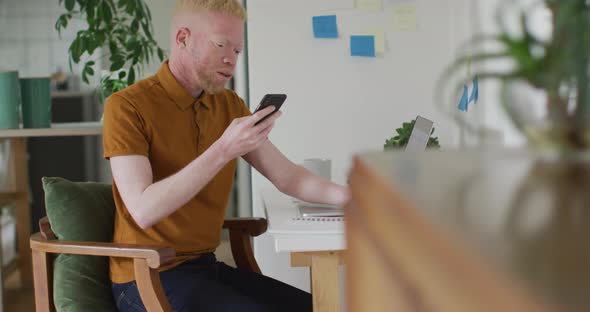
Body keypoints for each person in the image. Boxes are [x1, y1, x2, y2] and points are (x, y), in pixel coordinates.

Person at [102, 0, 350, 311]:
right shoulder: (126, 107)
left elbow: (289, 177)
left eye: (237, 50)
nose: (230, 59)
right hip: (144, 276)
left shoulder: (229, 105)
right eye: (221, 45)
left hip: (204, 267)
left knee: (318, 307)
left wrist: (358, 197)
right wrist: (223, 149)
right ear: (183, 39)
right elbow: (142, 209)